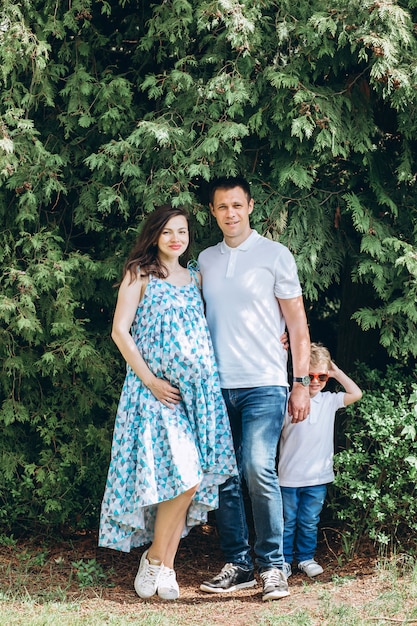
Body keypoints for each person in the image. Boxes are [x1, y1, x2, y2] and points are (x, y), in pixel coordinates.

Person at [98, 205, 237, 601]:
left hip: (198, 396)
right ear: (154, 236)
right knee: (183, 475)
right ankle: (156, 561)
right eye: (167, 232)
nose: (176, 238)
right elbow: (120, 333)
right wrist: (152, 381)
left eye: (182, 231)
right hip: (154, 393)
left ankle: (163, 564)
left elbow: (218, 321)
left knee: (189, 480)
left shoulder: (194, 277)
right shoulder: (138, 274)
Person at [198, 176, 311, 602]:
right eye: (222, 207)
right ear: (213, 212)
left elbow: (297, 325)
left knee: (257, 468)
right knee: (224, 476)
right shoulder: (205, 261)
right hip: (214, 384)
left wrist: (300, 383)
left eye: (237, 205)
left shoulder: (275, 255)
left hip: (264, 382)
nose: (230, 213)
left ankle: (273, 566)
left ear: (250, 207)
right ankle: (239, 564)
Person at [279, 342, 362, 579]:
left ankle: (305, 558)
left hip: (317, 478)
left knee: (309, 521)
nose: (315, 381)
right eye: (309, 376)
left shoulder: (329, 401)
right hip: (289, 476)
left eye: (322, 376)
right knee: (287, 522)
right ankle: (283, 561)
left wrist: (336, 372)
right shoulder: (287, 401)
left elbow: (356, 393)